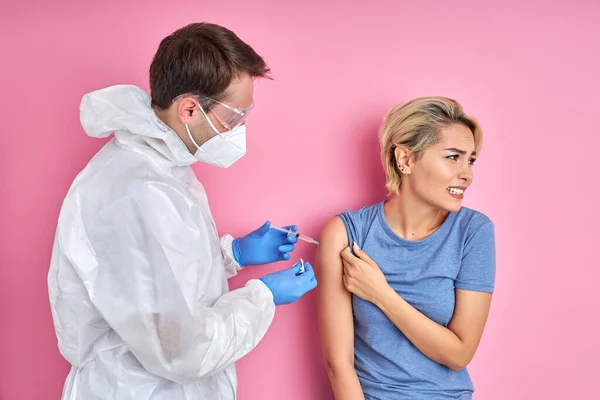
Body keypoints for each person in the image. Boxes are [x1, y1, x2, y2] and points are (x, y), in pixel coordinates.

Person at [47, 22, 317, 400]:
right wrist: (263, 297)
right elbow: (178, 350)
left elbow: (161, 275)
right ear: (190, 108)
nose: (239, 128)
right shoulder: (137, 191)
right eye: (234, 117)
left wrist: (232, 253)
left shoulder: (160, 165)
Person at [316, 97, 496, 399]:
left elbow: (459, 353)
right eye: (453, 157)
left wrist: (381, 293)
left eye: (471, 160)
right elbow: (338, 363)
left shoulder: (473, 231)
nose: (467, 174)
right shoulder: (346, 233)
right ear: (406, 160)